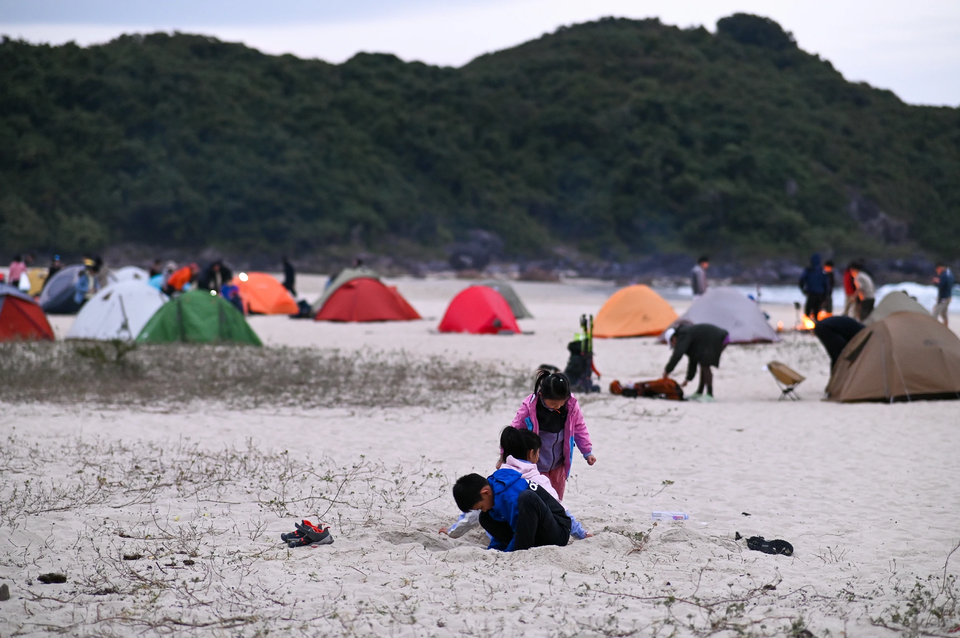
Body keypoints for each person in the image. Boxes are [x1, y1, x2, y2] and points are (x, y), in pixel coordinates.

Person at [441, 428, 590, 541]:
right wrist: (580, 533)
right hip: (537, 533)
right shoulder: (537, 480)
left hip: (511, 532)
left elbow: (474, 511)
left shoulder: (498, 478)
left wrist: (453, 531)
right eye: (538, 453)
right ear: (532, 454)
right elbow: (560, 509)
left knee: (486, 515)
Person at [509, 369, 595, 501]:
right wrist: (504, 455)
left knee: (556, 500)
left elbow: (579, 428)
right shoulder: (530, 408)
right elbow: (513, 432)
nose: (559, 406)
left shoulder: (571, 406)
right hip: (536, 467)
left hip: (558, 466)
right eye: (554, 404)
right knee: (539, 499)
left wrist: (587, 452)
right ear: (542, 395)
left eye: (562, 402)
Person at [452, 469, 571, 552]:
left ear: (486, 493)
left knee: (527, 498)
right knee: (485, 517)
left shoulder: (508, 497)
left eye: (481, 506)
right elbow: (502, 533)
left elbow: (518, 528)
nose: (483, 509)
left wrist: (511, 552)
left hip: (558, 531)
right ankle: (517, 548)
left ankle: (520, 550)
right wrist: (494, 550)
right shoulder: (493, 494)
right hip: (535, 530)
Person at [663, 323, 730, 402]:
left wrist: (667, 370)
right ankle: (699, 392)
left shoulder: (683, 335)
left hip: (720, 337)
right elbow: (693, 360)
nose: (674, 345)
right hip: (715, 338)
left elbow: (678, 354)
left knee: (705, 364)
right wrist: (688, 379)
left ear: (673, 338)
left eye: (672, 343)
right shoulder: (687, 336)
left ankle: (710, 394)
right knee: (702, 362)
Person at [799, 254, 828, 320]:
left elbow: (801, 280)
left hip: (811, 293)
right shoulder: (822, 271)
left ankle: (808, 323)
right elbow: (826, 285)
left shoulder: (809, 270)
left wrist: (803, 290)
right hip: (820, 294)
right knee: (817, 310)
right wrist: (825, 296)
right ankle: (815, 323)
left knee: (808, 310)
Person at [932, 262, 955, 327]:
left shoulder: (945, 275)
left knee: (935, 312)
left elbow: (942, 286)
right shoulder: (949, 273)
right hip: (948, 296)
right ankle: (946, 326)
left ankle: (932, 327)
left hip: (944, 298)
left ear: (940, 268)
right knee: (943, 313)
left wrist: (936, 282)